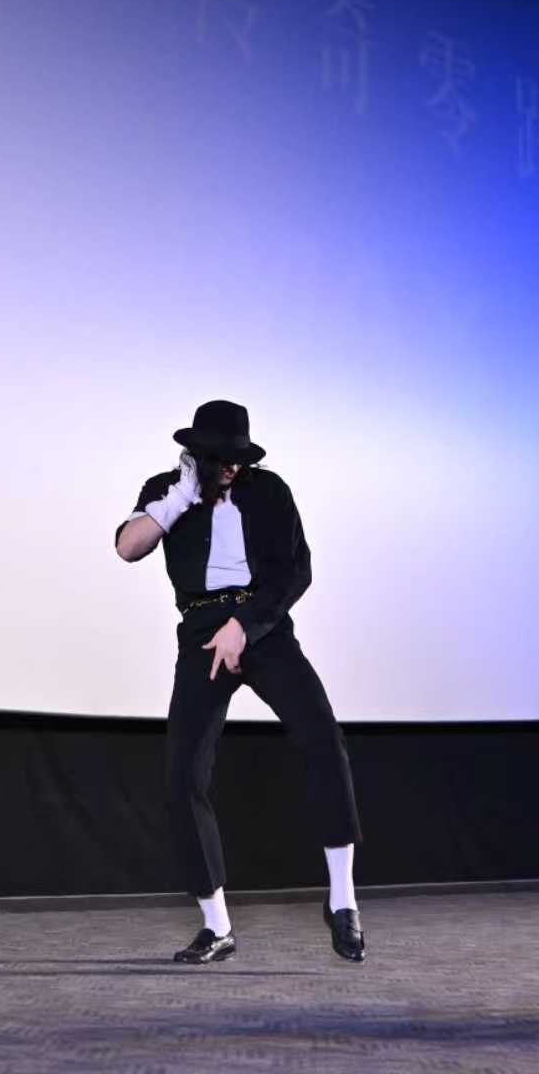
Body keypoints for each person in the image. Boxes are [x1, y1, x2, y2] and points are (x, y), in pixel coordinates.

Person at [115, 399, 365, 964]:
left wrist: (244, 627)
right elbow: (128, 547)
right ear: (197, 454)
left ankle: (343, 900)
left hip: (263, 626)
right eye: (221, 458)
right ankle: (216, 926)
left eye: (239, 458)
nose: (232, 466)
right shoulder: (166, 489)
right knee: (184, 775)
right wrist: (181, 497)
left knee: (323, 739)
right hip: (200, 632)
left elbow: (297, 570)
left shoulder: (268, 490)